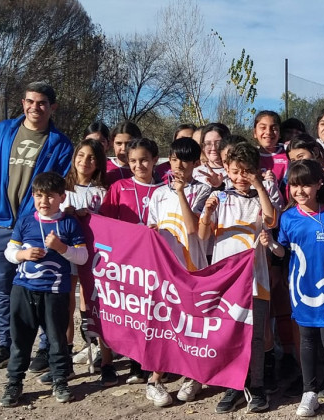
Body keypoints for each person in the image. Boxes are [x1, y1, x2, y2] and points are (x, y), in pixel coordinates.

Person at [0, 81, 73, 372]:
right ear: (23, 103)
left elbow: (56, 185)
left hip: (37, 225)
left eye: (42, 103)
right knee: (5, 287)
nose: (35, 107)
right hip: (1, 222)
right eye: (30, 101)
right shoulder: (1, 131)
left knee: (45, 286)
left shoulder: (60, 143)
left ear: (52, 107)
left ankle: (45, 349)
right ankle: (5, 345)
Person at [263, 159, 324, 419]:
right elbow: (283, 252)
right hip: (301, 291)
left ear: (319, 184)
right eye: (294, 186)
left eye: (305, 185)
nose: (300, 191)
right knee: (306, 341)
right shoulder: (289, 218)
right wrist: (270, 244)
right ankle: (309, 393)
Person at [198, 142, 277, 414]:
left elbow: (270, 219)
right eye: (235, 171)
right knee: (229, 333)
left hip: (256, 279)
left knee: (255, 337)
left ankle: (256, 387)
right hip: (226, 280)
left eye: (247, 171)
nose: (241, 176)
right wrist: (207, 212)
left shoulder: (260, 197)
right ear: (227, 171)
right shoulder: (220, 198)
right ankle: (233, 385)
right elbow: (202, 236)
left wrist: (260, 185)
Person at [0, 172, 88, 407]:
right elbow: (10, 251)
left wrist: (61, 247)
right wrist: (23, 255)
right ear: (33, 196)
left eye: (50, 196)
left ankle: (60, 380)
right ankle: (14, 383)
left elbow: (82, 256)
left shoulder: (69, 223)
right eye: (39, 196)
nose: (44, 201)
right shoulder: (27, 220)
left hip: (55, 291)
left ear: (62, 197)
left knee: (56, 339)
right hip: (23, 289)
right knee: (20, 340)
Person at [146, 137, 211, 406]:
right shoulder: (158, 194)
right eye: (174, 159)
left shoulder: (205, 191)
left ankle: (192, 375)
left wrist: (182, 191)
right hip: (164, 270)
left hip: (193, 268)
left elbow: (193, 228)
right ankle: (155, 379)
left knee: (192, 323)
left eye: (185, 160)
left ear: (196, 163)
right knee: (163, 322)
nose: (178, 165)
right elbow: (151, 230)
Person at [41, 139, 107, 386]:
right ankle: (64, 361)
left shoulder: (103, 191)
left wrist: (90, 216)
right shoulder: (62, 189)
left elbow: (110, 224)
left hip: (96, 256)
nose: (85, 161)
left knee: (96, 306)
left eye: (91, 157)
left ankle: (105, 357)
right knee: (67, 307)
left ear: (98, 162)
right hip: (66, 255)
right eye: (81, 155)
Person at [99, 138, 163, 384]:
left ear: (155, 159)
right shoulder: (119, 187)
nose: (139, 166)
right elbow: (105, 224)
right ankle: (135, 362)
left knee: (153, 311)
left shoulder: (165, 188)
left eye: (144, 160)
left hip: (156, 261)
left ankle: (152, 362)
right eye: (133, 161)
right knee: (132, 311)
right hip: (127, 263)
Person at [254, 110, 289, 183]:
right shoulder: (249, 156)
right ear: (255, 133)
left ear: (280, 134)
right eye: (263, 128)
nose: (268, 132)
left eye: (273, 128)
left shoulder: (288, 156)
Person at [194, 123, 231, 189]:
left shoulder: (237, 172)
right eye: (208, 143)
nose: (213, 148)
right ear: (203, 147)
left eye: (218, 143)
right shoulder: (195, 173)